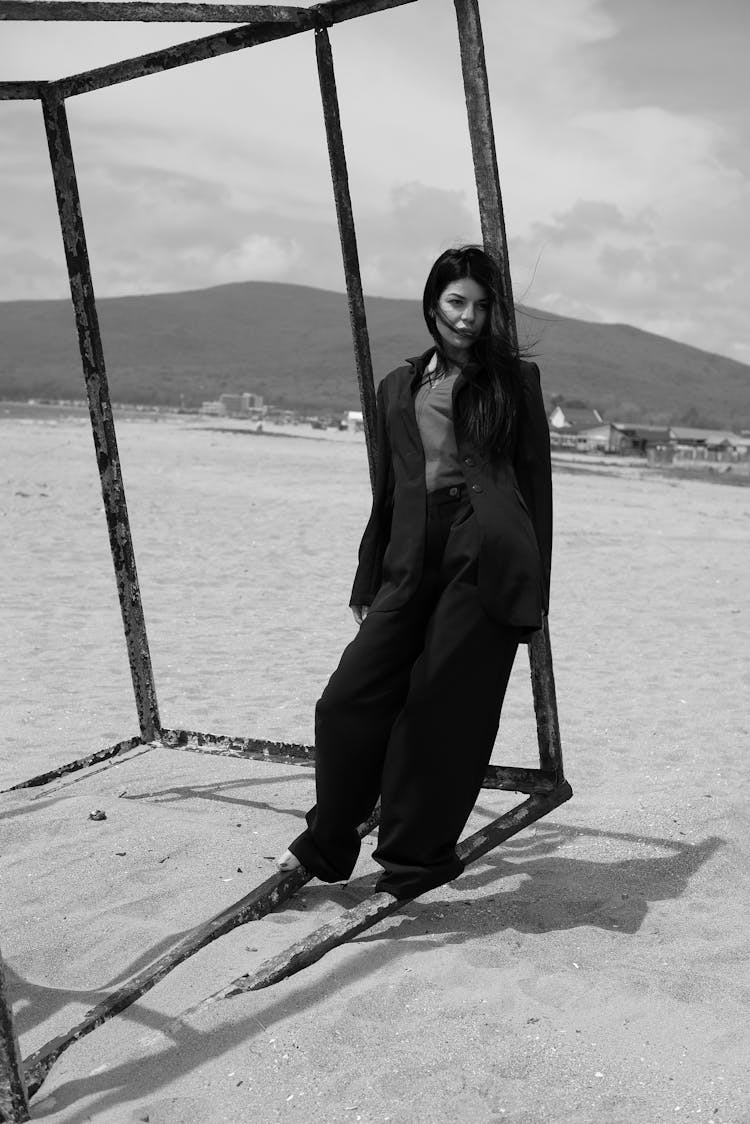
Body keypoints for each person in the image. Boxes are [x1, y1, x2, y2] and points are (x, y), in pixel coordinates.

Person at [277, 245, 552, 900]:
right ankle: (328, 840)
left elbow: (535, 489)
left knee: (436, 712)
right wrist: (368, 576)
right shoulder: (397, 388)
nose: (468, 316)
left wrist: (532, 593)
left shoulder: (516, 382)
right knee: (346, 700)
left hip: (481, 561)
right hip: (408, 561)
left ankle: (410, 859)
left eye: (483, 306)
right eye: (457, 302)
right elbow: (388, 491)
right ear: (434, 305)